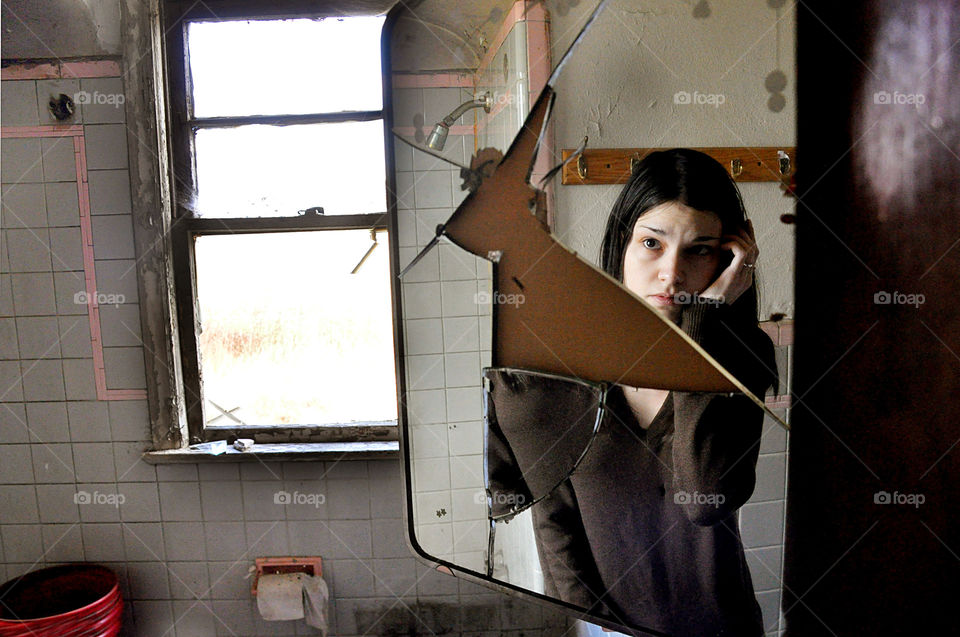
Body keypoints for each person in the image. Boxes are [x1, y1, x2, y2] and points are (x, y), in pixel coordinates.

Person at [483, 149, 777, 636]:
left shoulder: (741, 358)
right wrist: (598, 627)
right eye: (652, 243)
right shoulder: (560, 369)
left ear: (728, 258)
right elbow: (554, 526)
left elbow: (705, 496)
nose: (672, 273)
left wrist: (707, 321)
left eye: (700, 249)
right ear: (623, 242)